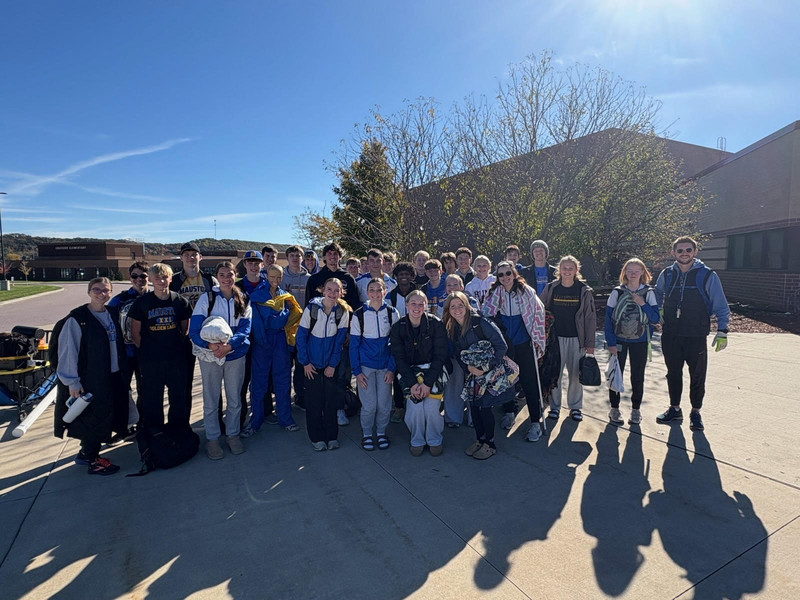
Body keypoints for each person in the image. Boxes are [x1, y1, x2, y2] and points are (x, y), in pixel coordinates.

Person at [654, 236, 730, 431]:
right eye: (680, 250)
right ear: (673, 253)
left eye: (688, 250)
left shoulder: (706, 275)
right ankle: (674, 408)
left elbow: (720, 304)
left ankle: (696, 412)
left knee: (697, 376)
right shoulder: (667, 274)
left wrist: (723, 330)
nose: (684, 253)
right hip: (671, 334)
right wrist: (657, 312)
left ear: (695, 252)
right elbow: (657, 294)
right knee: (673, 374)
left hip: (696, 335)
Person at [55, 277, 128, 475]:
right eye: (97, 290)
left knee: (105, 415)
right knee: (93, 418)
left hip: (112, 374)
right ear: (89, 292)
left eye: (106, 290)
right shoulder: (77, 319)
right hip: (90, 378)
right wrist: (72, 381)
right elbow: (68, 352)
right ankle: (92, 460)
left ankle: (85, 454)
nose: (101, 293)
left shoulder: (112, 313)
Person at [189, 262, 252, 459]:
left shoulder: (243, 298)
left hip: (235, 355)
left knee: (235, 398)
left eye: (230, 274)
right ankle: (213, 439)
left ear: (236, 275)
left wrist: (229, 346)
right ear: (217, 276)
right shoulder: (206, 299)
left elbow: (245, 329)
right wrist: (210, 346)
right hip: (211, 356)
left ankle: (232, 435)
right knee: (211, 398)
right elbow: (194, 330)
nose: (227, 278)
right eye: (222, 274)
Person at [129, 264, 193, 457]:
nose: (161, 281)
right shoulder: (142, 303)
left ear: (170, 279)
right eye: (157, 278)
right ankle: (154, 433)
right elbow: (135, 334)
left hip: (176, 360)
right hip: (151, 361)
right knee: (152, 400)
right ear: (151, 280)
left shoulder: (179, 301)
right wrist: (150, 351)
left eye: (165, 278)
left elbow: (184, 329)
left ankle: (178, 430)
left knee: (179, 398)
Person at [482, 262, 547, 440]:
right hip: (506, 345)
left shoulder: (526, 291)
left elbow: (538, 312)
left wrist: (536, 337)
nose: (505, 277)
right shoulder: (496, 292)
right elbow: (486, 313)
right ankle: (509, 411)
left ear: (514, 273)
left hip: (524, 343)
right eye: (500, 274)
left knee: (529, 382)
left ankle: (535, 422)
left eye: (508, 273)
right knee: (508, 380)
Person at [443, 292, 512, 459]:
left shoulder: (481, 322)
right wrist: (467, 368)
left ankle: (490, 444)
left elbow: (501, 346)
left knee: (485, 408)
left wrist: (485, 368)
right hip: (472, 374)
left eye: (460, 305)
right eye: (453, 306)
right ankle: (480, 440)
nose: (457, 309)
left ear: (467, 306)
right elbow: (458, 352)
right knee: (474, 406)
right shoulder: (452, 328)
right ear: (448, 310)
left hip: (489, 373)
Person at [390, 290, 448, 456]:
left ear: (426, 306)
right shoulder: (398, 327)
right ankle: (417, 439)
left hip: (433, 371)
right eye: (413, 303)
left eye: (421, 304)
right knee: (415, 408)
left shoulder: (436, 324)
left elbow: (440, 356)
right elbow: (399, 359)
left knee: (431, 407)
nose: (417, 307)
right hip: (409, 373)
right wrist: (413, 384)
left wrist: (428, 383)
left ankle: (434, 439)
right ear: (406, 305)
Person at [246, 264, 303, 436]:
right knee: (258, 383)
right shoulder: (257, 296)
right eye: (272, 277)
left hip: (280, 341)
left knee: (283, 380)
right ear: (266, 276)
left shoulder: (285, 296)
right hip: (262, 341)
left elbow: (292, 315)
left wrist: (279, 321)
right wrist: (278, 320)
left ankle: (285, 419)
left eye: (278, 277)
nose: (275, 280)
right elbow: (258, 321)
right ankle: (255, 422)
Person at [296, 278, 351, 451]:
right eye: (329, 289)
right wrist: (305, 362)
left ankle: (331, 435)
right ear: (322, 290)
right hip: (311, 364)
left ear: (341, 293)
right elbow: (301, 337)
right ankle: (316, 437)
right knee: (314, 402)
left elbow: (339, 342)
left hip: (330, 365)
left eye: (337, 290)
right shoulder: (312, 309)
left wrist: (332, 365)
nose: (333, 293)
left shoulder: (342, 312)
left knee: (330, 401)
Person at [539, 256, 596, 422]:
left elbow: (590, 318)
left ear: (576, 270)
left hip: (576, 339)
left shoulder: (584, 290)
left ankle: (575, 407)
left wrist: (589, 344)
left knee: (575, 376)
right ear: (559, 270)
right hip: (555, 339)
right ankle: (555, 407)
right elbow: (539, 308)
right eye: (564, 268)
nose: (567, 271)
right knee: (555, 374)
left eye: (571, 268)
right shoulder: (551, 288)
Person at [605, 258, 660, 426]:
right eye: (630, 271)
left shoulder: (649, 293)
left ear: (643, 272)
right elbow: (608, 319)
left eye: (637, 270)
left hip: (640, 340)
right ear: (625, 273)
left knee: (638, 376)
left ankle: (636, 410)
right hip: (619, 340)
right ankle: (614, 408)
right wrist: (611, 343)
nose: (633, 274)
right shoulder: (617, 292)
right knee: (616, 374)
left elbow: (655, 318)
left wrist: (642, 304)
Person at [169, 242, 218, 426]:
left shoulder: (209, 279)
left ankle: (215, 423)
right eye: (186, 254)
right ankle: (181, 425)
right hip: (183, 337)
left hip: (206, 335)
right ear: (181, 258)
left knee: (212, 383)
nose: (190, 257)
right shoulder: (174, 281)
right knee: (183, 384)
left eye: (194, 254)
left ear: (200, 257)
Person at [350, 278, 399, 451]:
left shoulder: (392, 313)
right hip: (366, 367)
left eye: (379, 290)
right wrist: (357, 371)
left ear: (385, 292)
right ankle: (367, 434)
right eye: (372, 290)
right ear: (367, 292)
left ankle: (380, 433)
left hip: (385, 367)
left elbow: (396, 344)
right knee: (369, 405)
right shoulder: (359, 314)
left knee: (384, 405)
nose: (376, 293)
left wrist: (392, 368)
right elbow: (354, 345)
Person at [107, 261, 149, 442]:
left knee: (146, 390)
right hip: (125, 352)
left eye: (143, 276)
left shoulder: (155, 297)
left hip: (147, 353)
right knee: (122, 390)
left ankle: (144, 425)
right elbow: (107, 322)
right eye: (134, 276)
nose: (139, 279)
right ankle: (124, 427)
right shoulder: (120, 299)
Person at [235, 250, 274, 426]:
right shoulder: (236, 286)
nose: (253, 265)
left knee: (263, 377)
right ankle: (242, 416)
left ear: (261, 264)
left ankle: (265, 412)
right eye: (249, 262)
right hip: (243, 339)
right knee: (242, 381)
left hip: (263, 339)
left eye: (256, 262)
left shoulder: (268, 285)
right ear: (244, 265)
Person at [281, 245, 311, 411]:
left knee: (301, 366)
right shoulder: (281, 278)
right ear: (287, 258)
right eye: (292, 255)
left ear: (302, 258)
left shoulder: (309, 279)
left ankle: (300, 397)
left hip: (303, 330)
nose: (295, 258)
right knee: (285, 366)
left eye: (298, 255)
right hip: (285, 330)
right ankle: (283, 399)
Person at [305, 242, 360, 309]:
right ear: (324, 257)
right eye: (329, 254)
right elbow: (308, 303)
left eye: (335, 254)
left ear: (340, 257)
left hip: (343, 317)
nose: (332, 256)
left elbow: (355, 303)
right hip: (320, 317)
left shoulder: (348, 278)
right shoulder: (314, 279)